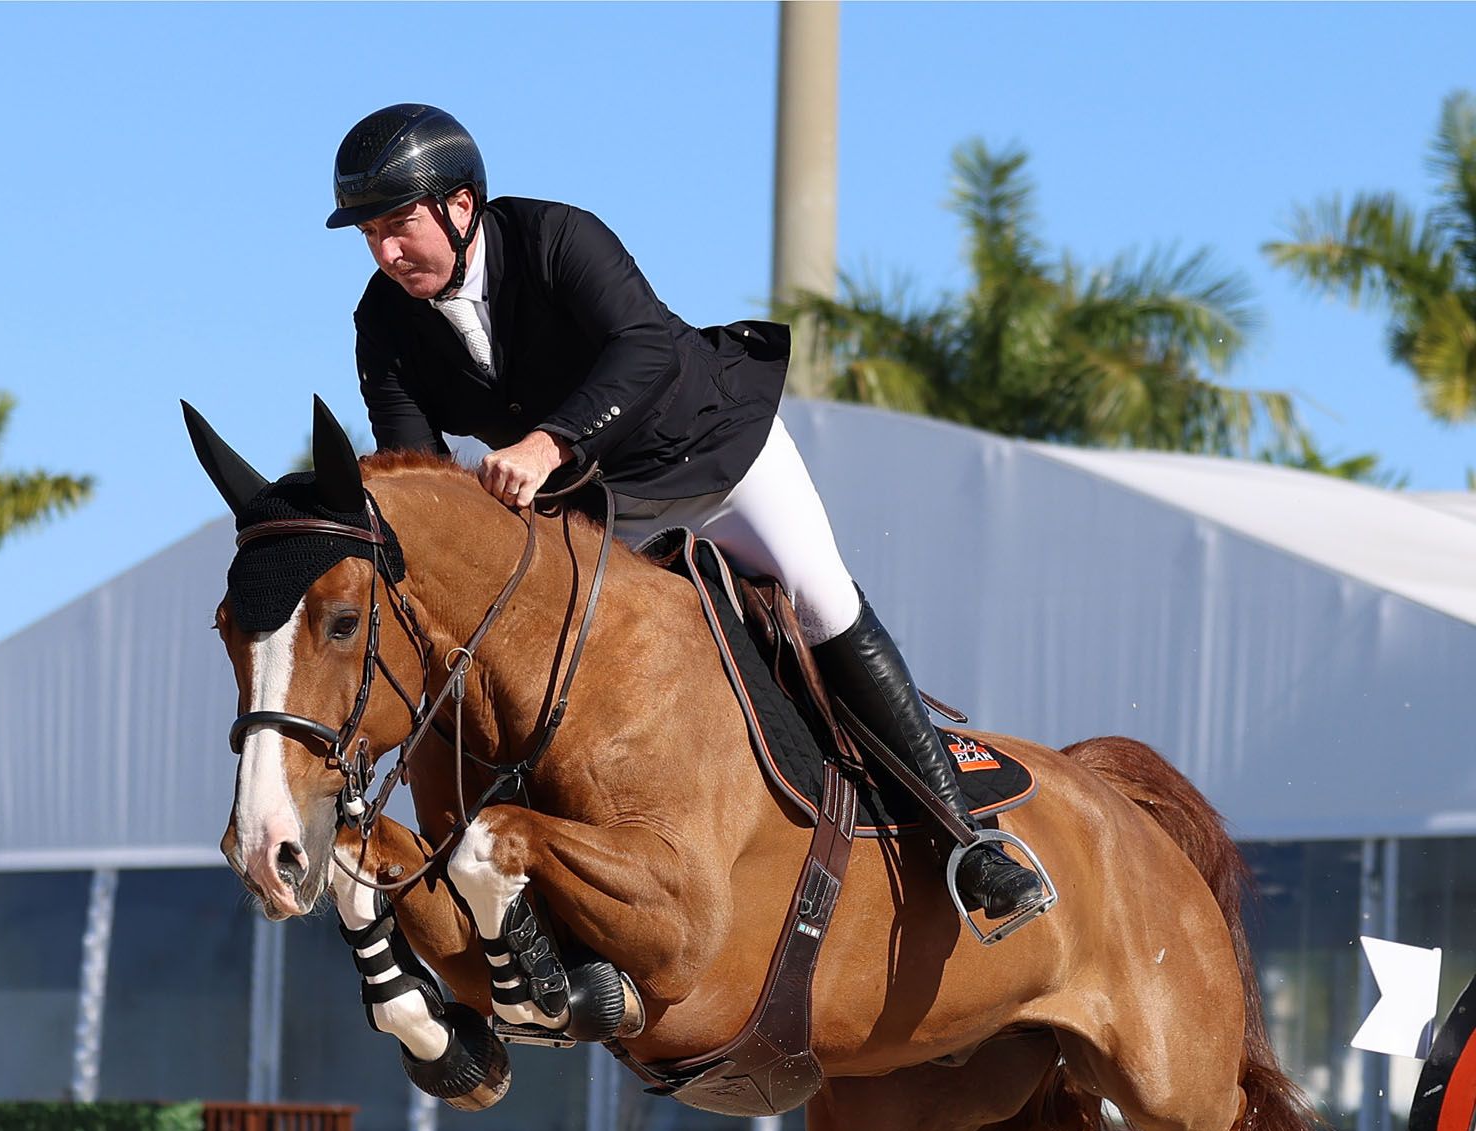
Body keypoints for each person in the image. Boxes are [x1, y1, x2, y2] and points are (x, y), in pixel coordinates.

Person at [328, 102, 1051, 957]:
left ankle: (965, 839)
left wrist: (546, 441)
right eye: (369, 234)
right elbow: (420, 472)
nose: (384, 253)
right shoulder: (383, 322)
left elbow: (646, 349)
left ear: (459, 203)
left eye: (397, 225)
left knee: (818, 600)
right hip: (598, 509)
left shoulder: (557, 238)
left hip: (717, 457)